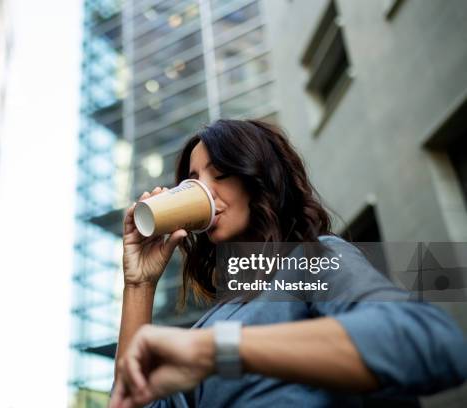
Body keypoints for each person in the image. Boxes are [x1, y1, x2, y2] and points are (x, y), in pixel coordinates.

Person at [109, 119, 467, 408]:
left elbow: (431, 342)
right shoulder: (211, 322)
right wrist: (139, 284)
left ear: (259, 179)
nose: (203, 189)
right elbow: (130, 400)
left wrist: (217, 350)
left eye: (220, 173)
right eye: (192, 180)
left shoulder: (310, 261)